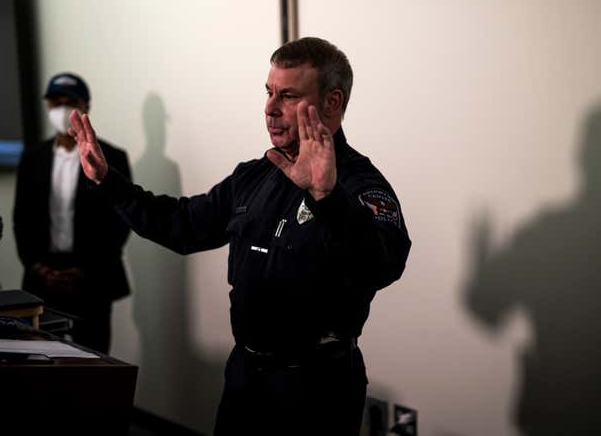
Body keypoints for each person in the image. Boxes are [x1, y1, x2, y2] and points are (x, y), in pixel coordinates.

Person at [69, 38, 411, 435]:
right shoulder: (254, 177)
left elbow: (382, 264)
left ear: (332, 103)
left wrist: (326, 197)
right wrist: (108, 182)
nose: (270, 108)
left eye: (288, 95)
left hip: (316, 390)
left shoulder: (359, 185)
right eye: (268, 92)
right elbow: (180, 224)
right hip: (245, 381)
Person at [13, 72, 132, 353]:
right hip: (42, 279)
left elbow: (120, 222)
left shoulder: (111, 158)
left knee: (93, 365)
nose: (62, 108)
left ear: (86, 106)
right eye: (55, 101)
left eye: (70, 101)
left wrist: (85, 270)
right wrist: (39, 267)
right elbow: (22, 219)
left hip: (92, 280)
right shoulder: (32, 158)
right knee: (39, 362)